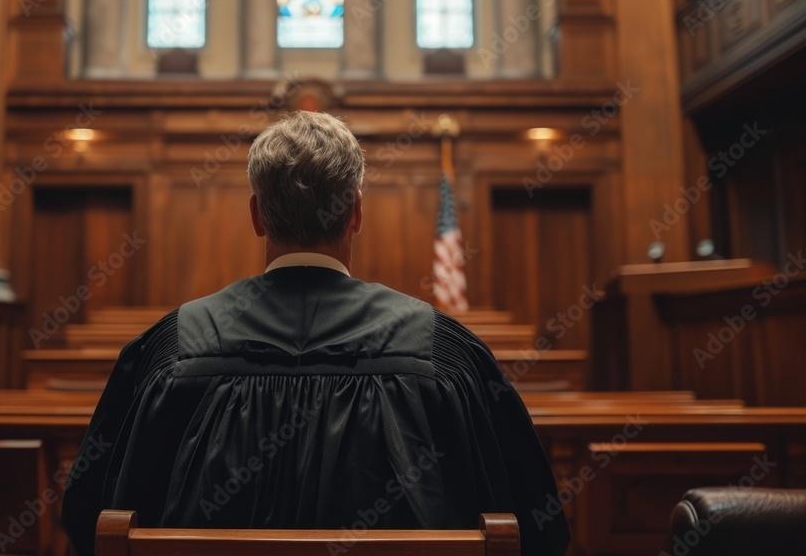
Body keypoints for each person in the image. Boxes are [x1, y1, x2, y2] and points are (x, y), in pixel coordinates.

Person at [61, 111, 570, 556]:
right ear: (356, 213)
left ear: (257, 216)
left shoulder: (171, 350)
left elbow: (89, 521)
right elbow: (538, 529)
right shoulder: (444, 355)